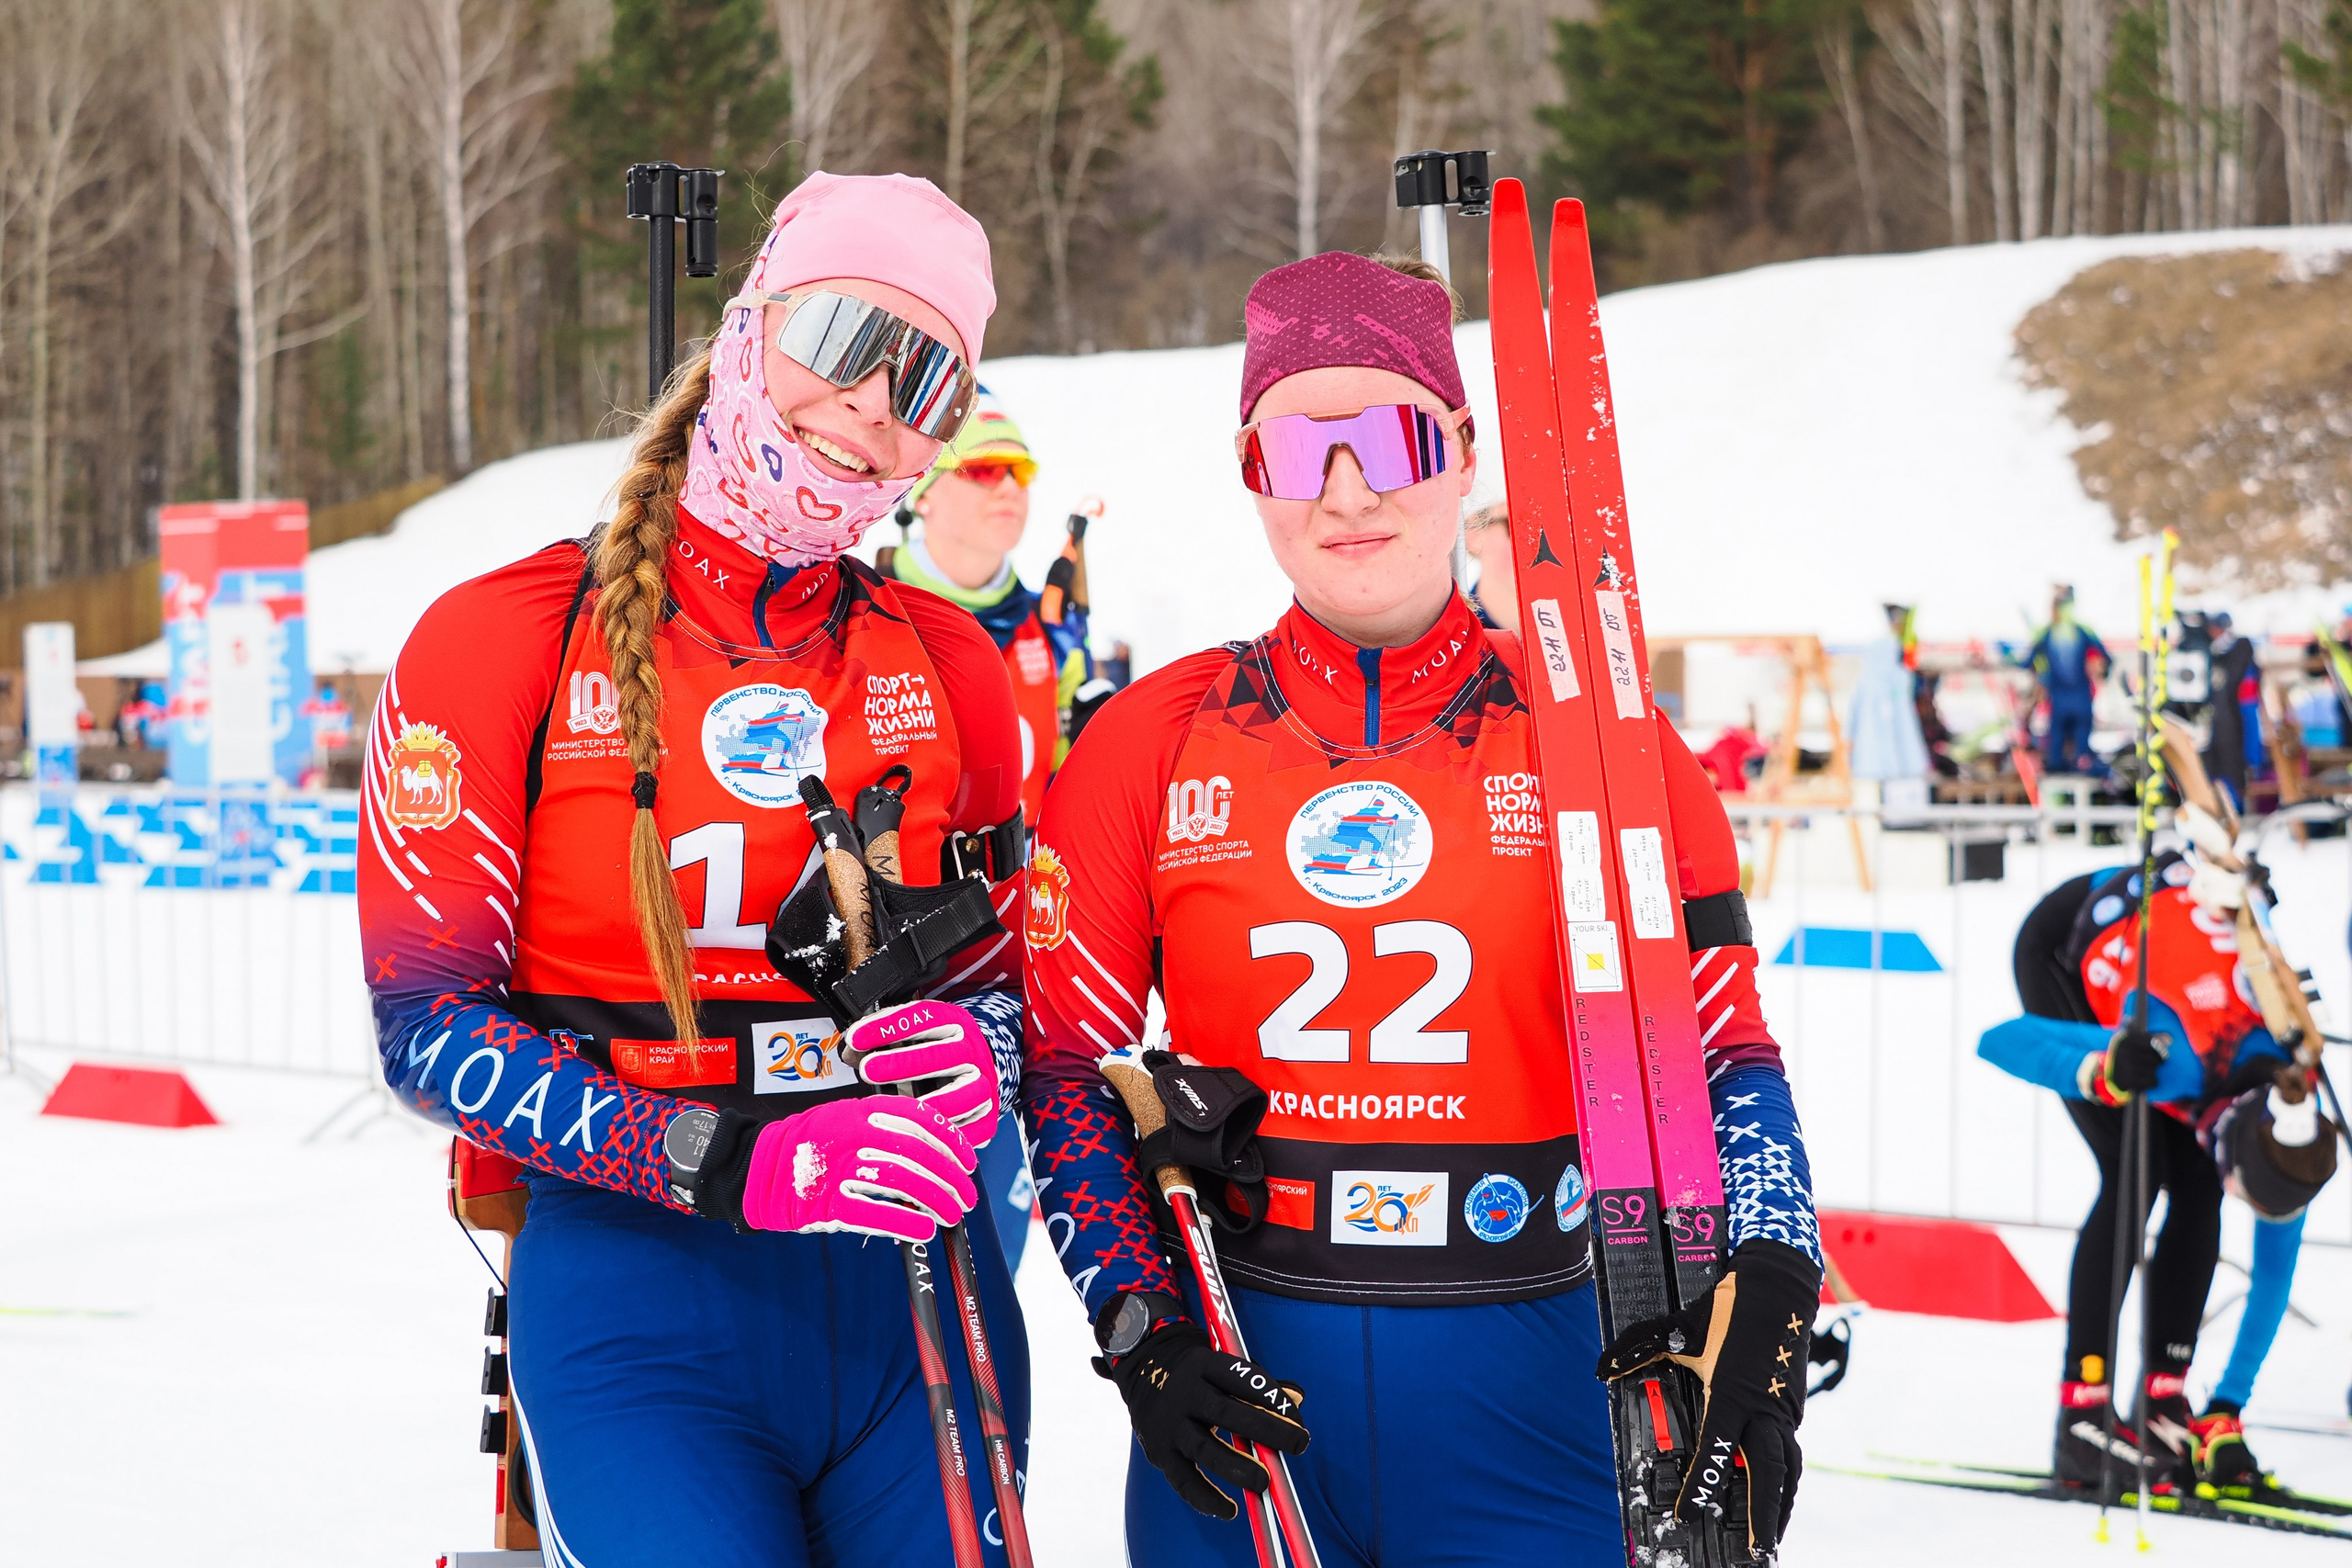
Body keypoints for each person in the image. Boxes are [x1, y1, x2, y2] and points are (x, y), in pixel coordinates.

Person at [1022, 251, 1823, 1567]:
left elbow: (1723, 1054)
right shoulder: (1153, 740)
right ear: (1250, 471)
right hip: (1248, 1409)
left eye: (1387, 436)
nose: (1346, 492)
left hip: (1539, 1396)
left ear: (1458, 449)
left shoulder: (1602, 737)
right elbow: (1068, 1072)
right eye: (1296, 450)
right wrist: (1142, 1332)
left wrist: (1774, 1287)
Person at [359, 173, 1035, 1565]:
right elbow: (425, 1028)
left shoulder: (948, 663)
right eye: (843, 336)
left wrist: (985, 1057)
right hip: (637, 1287)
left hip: (915, 1287)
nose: (871, 400)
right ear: (745, 332)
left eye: (929, 378)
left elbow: (999, 992)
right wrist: (720, 1153)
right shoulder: (506, 641)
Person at [1977, 852, 2314, 1491]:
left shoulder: (2301, 1113)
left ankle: (2165, 1400)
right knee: (2138, 1169)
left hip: (2194, 985)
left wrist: (2227, 1410)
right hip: (2067, 947)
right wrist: (2099, 1069)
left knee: (2196, 1185)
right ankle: (2082, 1411)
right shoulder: (2175, 1062)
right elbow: (2000, 1037)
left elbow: (2274, 1274)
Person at [882, 391, 1112, 1270]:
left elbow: (1065, 785)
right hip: (870, 962)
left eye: (1019, 472)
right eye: (984, 468)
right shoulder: (867, 604)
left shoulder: (1049, 625)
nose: (1007, 488)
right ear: (927, 488)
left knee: (982, 1247)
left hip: (998, 976)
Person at [2024, 585, 2110, 774]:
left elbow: (2027, 661)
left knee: (2064, 731)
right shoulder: (2078, 631)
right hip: (2071, 695)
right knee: (2069, 731)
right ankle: (2075, 760)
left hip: (2066, 696)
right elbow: (2106, 658)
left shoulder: (2051, 633)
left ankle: (2068, 761)